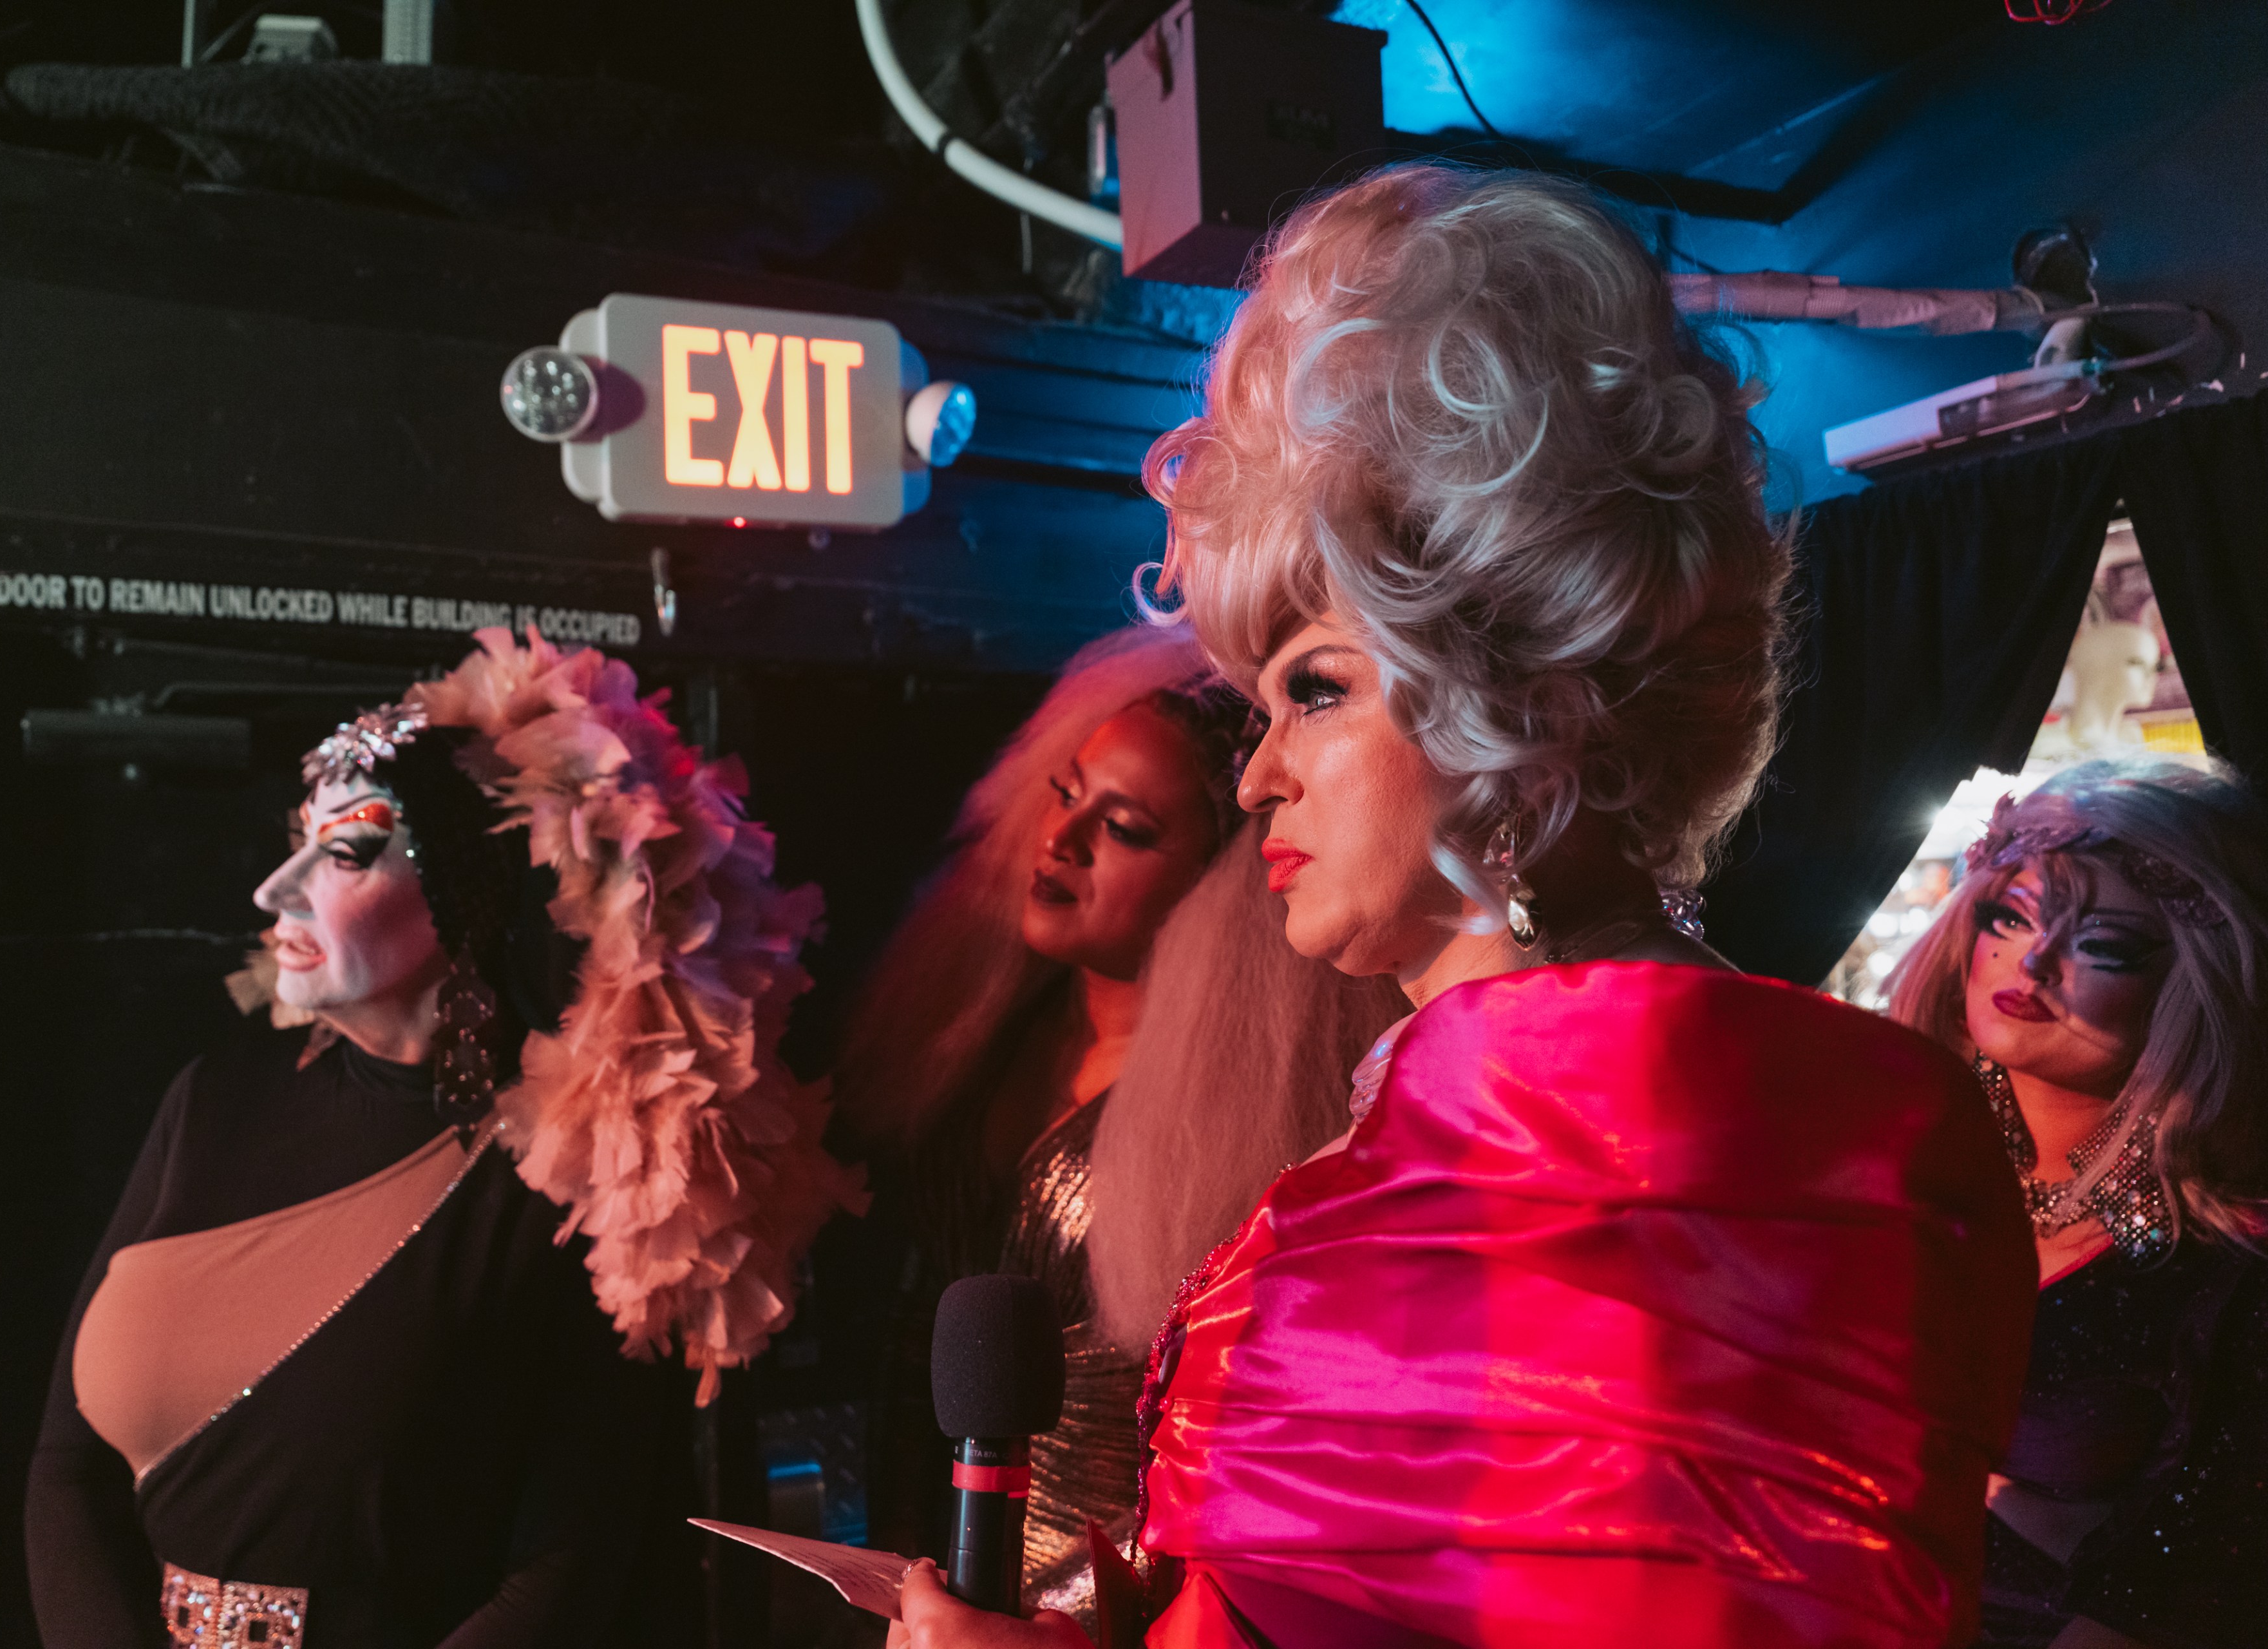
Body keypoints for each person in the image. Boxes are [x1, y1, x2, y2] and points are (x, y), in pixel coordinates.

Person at [889, 164, 2034, 1649]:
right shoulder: (1898, 1126)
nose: (1257, 786)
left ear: (1507, 699)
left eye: (1312, 690)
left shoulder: (1445, 1212)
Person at [28, 629, 858, 1648]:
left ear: (461, 898)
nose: (273, 890)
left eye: (342, 852)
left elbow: (572, 1563)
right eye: (299, 836)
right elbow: (67, 1469)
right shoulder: (212, 1100)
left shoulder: (580, 1171)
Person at [838, 626, 1404, 1626]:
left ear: (1227, 882)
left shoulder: (1238, 1135)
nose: (1059, 843)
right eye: (1066, 795)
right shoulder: (975, 1036)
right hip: (911, 1555)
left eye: (1126, 827)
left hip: (1089, 1611)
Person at [1885, 757, 2268, 1648]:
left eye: (2105, 943)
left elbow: (2199, 1572)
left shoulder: (2225, 1271)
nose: (2037, 959)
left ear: (2198, 977)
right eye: (2009, 916)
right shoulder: (1875, 1173)